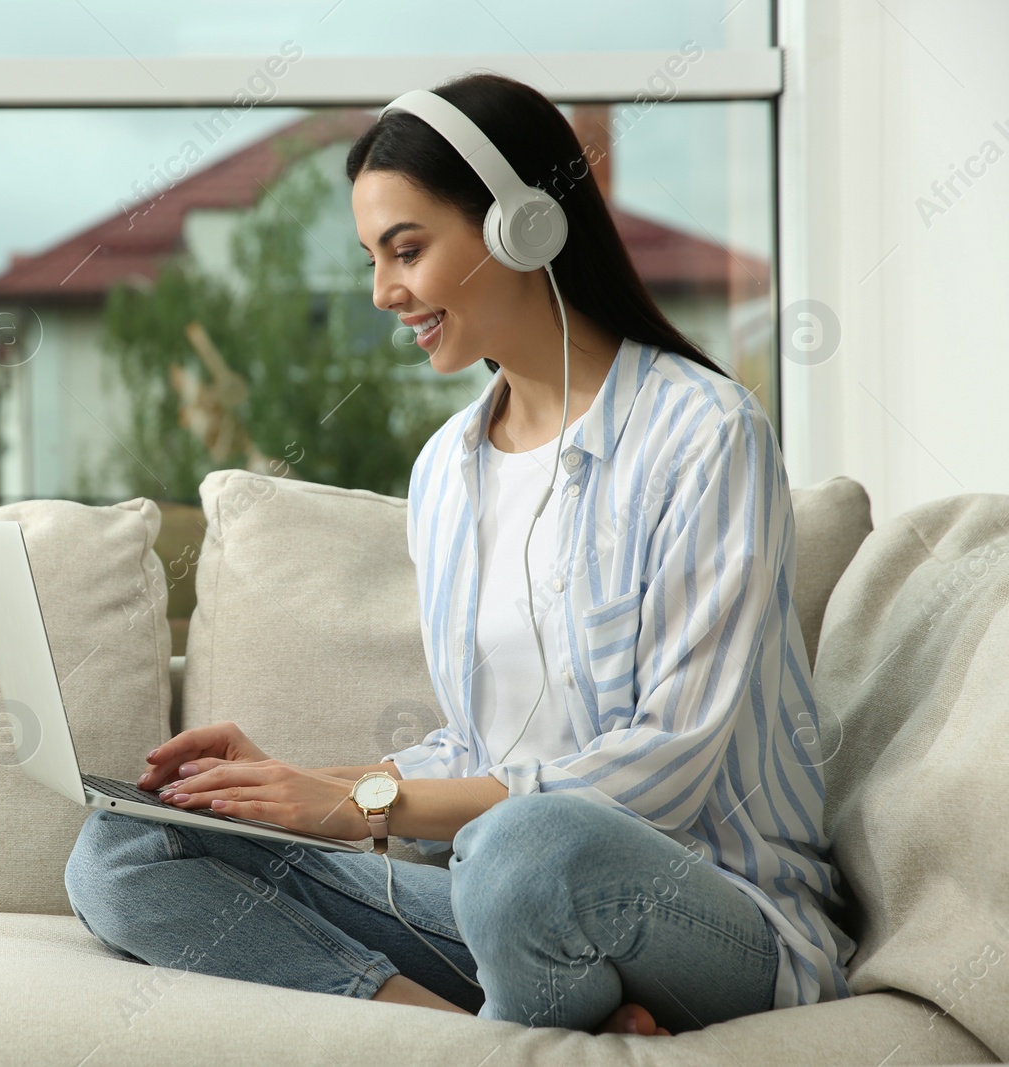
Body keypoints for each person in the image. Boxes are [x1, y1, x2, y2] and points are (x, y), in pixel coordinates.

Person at [64, 71, 856, 1037]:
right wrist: (292, 788)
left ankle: (545, 1017)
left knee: (523, 846)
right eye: (372, 258)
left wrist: (356, 804)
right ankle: (452, 1027)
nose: (383, 291)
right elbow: (485, 747)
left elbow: (669, 767)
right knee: (125, 849)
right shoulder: (448, 470)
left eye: (406, 249)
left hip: (715, 914)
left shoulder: (705, 432)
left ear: (523, 225)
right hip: (501, 899)